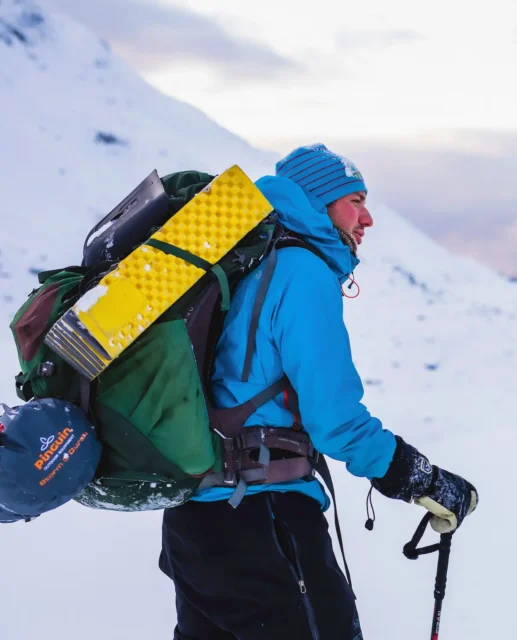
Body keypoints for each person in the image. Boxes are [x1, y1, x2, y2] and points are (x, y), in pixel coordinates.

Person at [157, 144, 478, 640]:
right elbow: (336, 422)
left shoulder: (252, 262)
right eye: (354, 200)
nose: (368, 217)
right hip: (265, 517)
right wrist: (422, 479)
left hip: (196, 523)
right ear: (319, 203)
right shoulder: (301, 272)